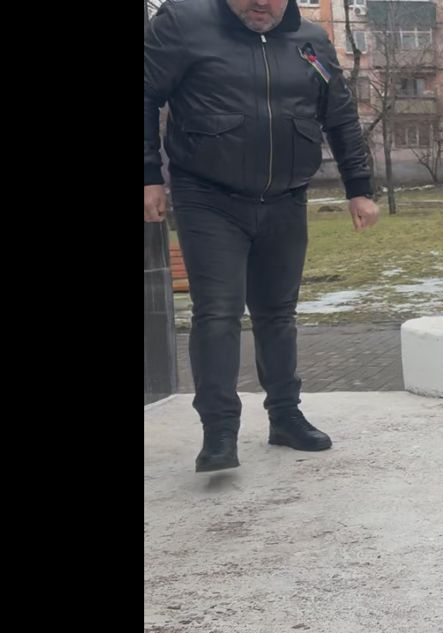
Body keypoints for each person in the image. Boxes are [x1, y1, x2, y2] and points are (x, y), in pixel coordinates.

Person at [145, 0, 379, 473]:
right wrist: (150, 174)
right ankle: (219, 432)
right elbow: (146, 96)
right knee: (218, 313)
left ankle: (285, 416)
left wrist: (360, 188)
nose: (259, 3)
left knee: (277, 313)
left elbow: (339, 115)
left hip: (285, 197)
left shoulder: (310, 40)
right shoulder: (183, 23)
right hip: (208, 195)